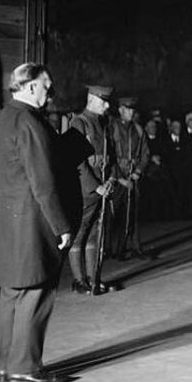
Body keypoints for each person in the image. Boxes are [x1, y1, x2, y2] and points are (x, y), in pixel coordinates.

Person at [0, 63, 75, 382]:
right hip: (31, 220)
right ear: (31, 86)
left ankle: (7, 366)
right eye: (46, 85)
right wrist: (61, 226)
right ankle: (26, 367)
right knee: (37, 291)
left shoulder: (3, 118)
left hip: (6, 218)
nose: (50, 92)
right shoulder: (30, 122)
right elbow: (43, 184)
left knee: (12, 292)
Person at [67, 85, 119, 295]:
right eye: (103, 101)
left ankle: (93, 278)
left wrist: (111, 179)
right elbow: (76, 160)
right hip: (85, 190)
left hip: (103, 188)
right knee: (79, 233)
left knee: (95, 235)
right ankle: (78, 280)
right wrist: (95, 186)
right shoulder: (79, 123)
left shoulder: (103, 124)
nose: (107, 106)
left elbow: (111, 156)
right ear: (91, 100)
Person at [109, 96, 150, 258]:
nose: (131, 112)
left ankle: (134, 246)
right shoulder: (112, 128)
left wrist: (137, 172)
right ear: (121, 110)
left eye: (133, 109)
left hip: (133, 177)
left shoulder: (138, 130)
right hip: (117, 177)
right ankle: (111, 249)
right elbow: (109, 154)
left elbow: (145, 154)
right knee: (113, 214)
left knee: (133, 213)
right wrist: (119, 177)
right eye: (128, 109)